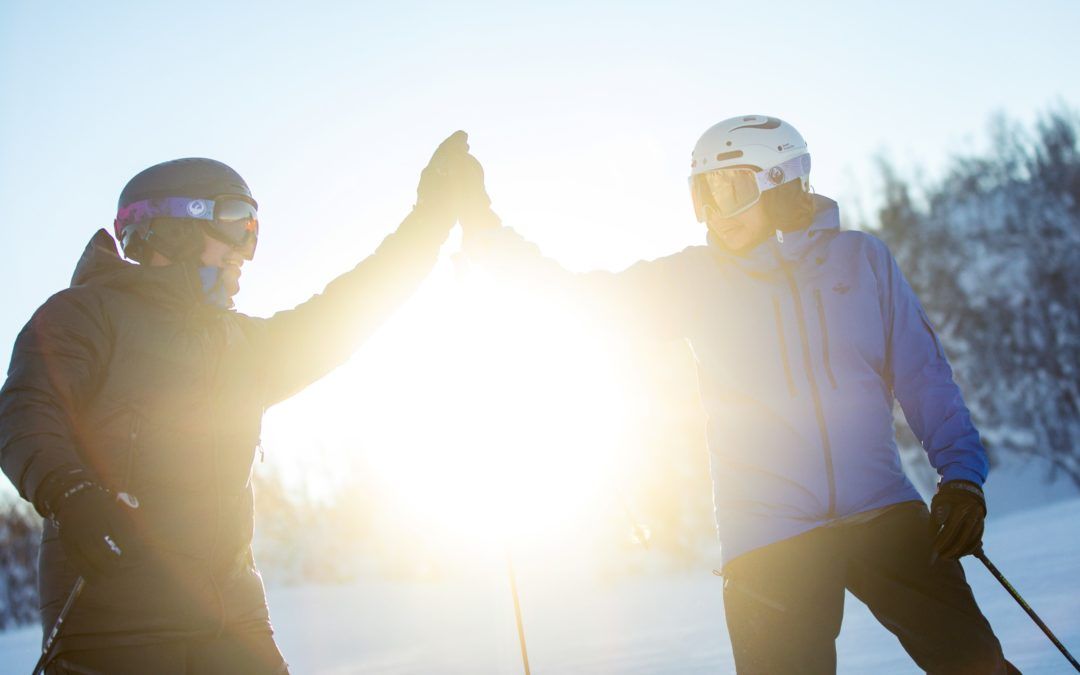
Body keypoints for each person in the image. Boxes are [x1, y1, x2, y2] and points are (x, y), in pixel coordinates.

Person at [455, 116, 1017, 674]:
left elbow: (922, 375)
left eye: (732, 190)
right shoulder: (697, 280)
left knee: (976, 664)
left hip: (880, 507)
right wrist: (483, 229)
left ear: (782, 181)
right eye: (704, 196)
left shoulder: (860, 260)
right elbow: (578, 300)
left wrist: (961, 478)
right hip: (771, 536)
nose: (716, 214)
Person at [0, 132, 471, 674]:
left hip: (231, 609)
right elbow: (28, 412)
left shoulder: (239, 345)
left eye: (254, 230)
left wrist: (428, 222)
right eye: (234, 221)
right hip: (116, 608)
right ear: (171, 228)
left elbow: (343, 314)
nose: (247, 249)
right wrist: (74, 494)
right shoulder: (82, 315)